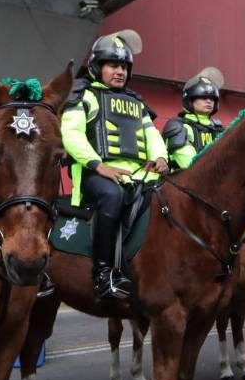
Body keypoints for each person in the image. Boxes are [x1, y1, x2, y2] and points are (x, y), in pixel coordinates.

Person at [61, 30, 168, 301]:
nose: (119, 71)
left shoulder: (137, 103)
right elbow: (71, 134)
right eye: (112, 65)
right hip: (94, 173)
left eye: (123, 66)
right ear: (98, 67)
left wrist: (161, 157)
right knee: (112, 196)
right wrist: (99, 166)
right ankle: (103, 273)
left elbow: (152, 134)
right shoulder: (83, 95)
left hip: (137, 175)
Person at [163, 67, 224, 171]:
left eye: (212, 98)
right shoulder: (178, 126)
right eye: (203, 97)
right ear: (190, 100)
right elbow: (189, 164)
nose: (209, 101)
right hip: (183, 185)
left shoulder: (219, 130)